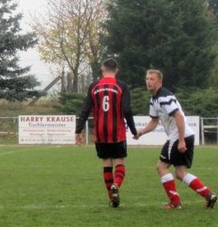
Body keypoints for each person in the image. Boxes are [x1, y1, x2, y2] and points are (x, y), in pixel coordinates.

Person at [134, 69, 217, 210]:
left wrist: (181, 140)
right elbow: (154, 121)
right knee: (180, 172)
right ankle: (209, 195)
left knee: (161, 167)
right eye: (147, 79)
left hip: (179, 136)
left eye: (152, 79)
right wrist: (141, 132)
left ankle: (175, 202)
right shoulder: (154, 100)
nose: (148, 82)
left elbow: (178, 116)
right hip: (185, 135)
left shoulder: (163, 97)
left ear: (159, 82)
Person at [74, 58, 137, 207]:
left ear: (102, 69)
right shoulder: (122, 86)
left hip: (100, 132)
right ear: (117, 70)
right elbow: (127, 109)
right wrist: (134, 130)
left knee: (106, 162)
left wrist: (78, 130)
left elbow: (85, 109)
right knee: (119, 160)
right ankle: (116, 184)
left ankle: (112, 198)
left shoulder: (94, 86)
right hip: (117, 131)